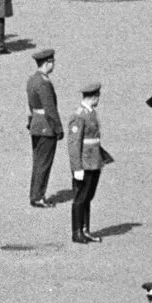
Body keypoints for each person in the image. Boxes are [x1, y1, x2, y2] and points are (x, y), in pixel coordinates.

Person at [67, 84, 110, 244]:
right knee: (80, 198)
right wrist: (76, 167)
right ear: (94, 97)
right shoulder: (79, 115)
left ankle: (85, 229)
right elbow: (74, 144)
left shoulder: (90, 113)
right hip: (84, 163)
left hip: (94, 161)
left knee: (88, 197)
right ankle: (76, 232)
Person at [26, 50, 62, 208]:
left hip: (36, 124)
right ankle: (38, 196)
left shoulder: (32, 80)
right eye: (52, 62)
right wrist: (58, 128)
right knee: (44, 163)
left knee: (38, 161)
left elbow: (30, 105)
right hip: (46, 126)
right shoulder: (44, 83)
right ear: (48, 63)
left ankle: (35, 194)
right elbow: (50, 108)